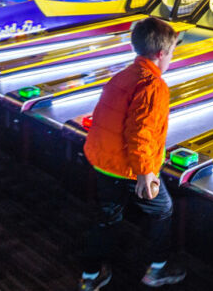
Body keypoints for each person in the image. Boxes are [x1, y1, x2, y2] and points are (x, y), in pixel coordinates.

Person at [78, 17, 186, 290]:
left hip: (103, 161)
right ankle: (156, 269)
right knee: (163, 209)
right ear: (161, 54)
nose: (170, 58)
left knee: (107, 218)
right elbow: (140, 134)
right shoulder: (153, 85)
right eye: (171, 53)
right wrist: (145, 173)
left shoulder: (124, 74)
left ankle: (90, 277)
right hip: (128, 167)